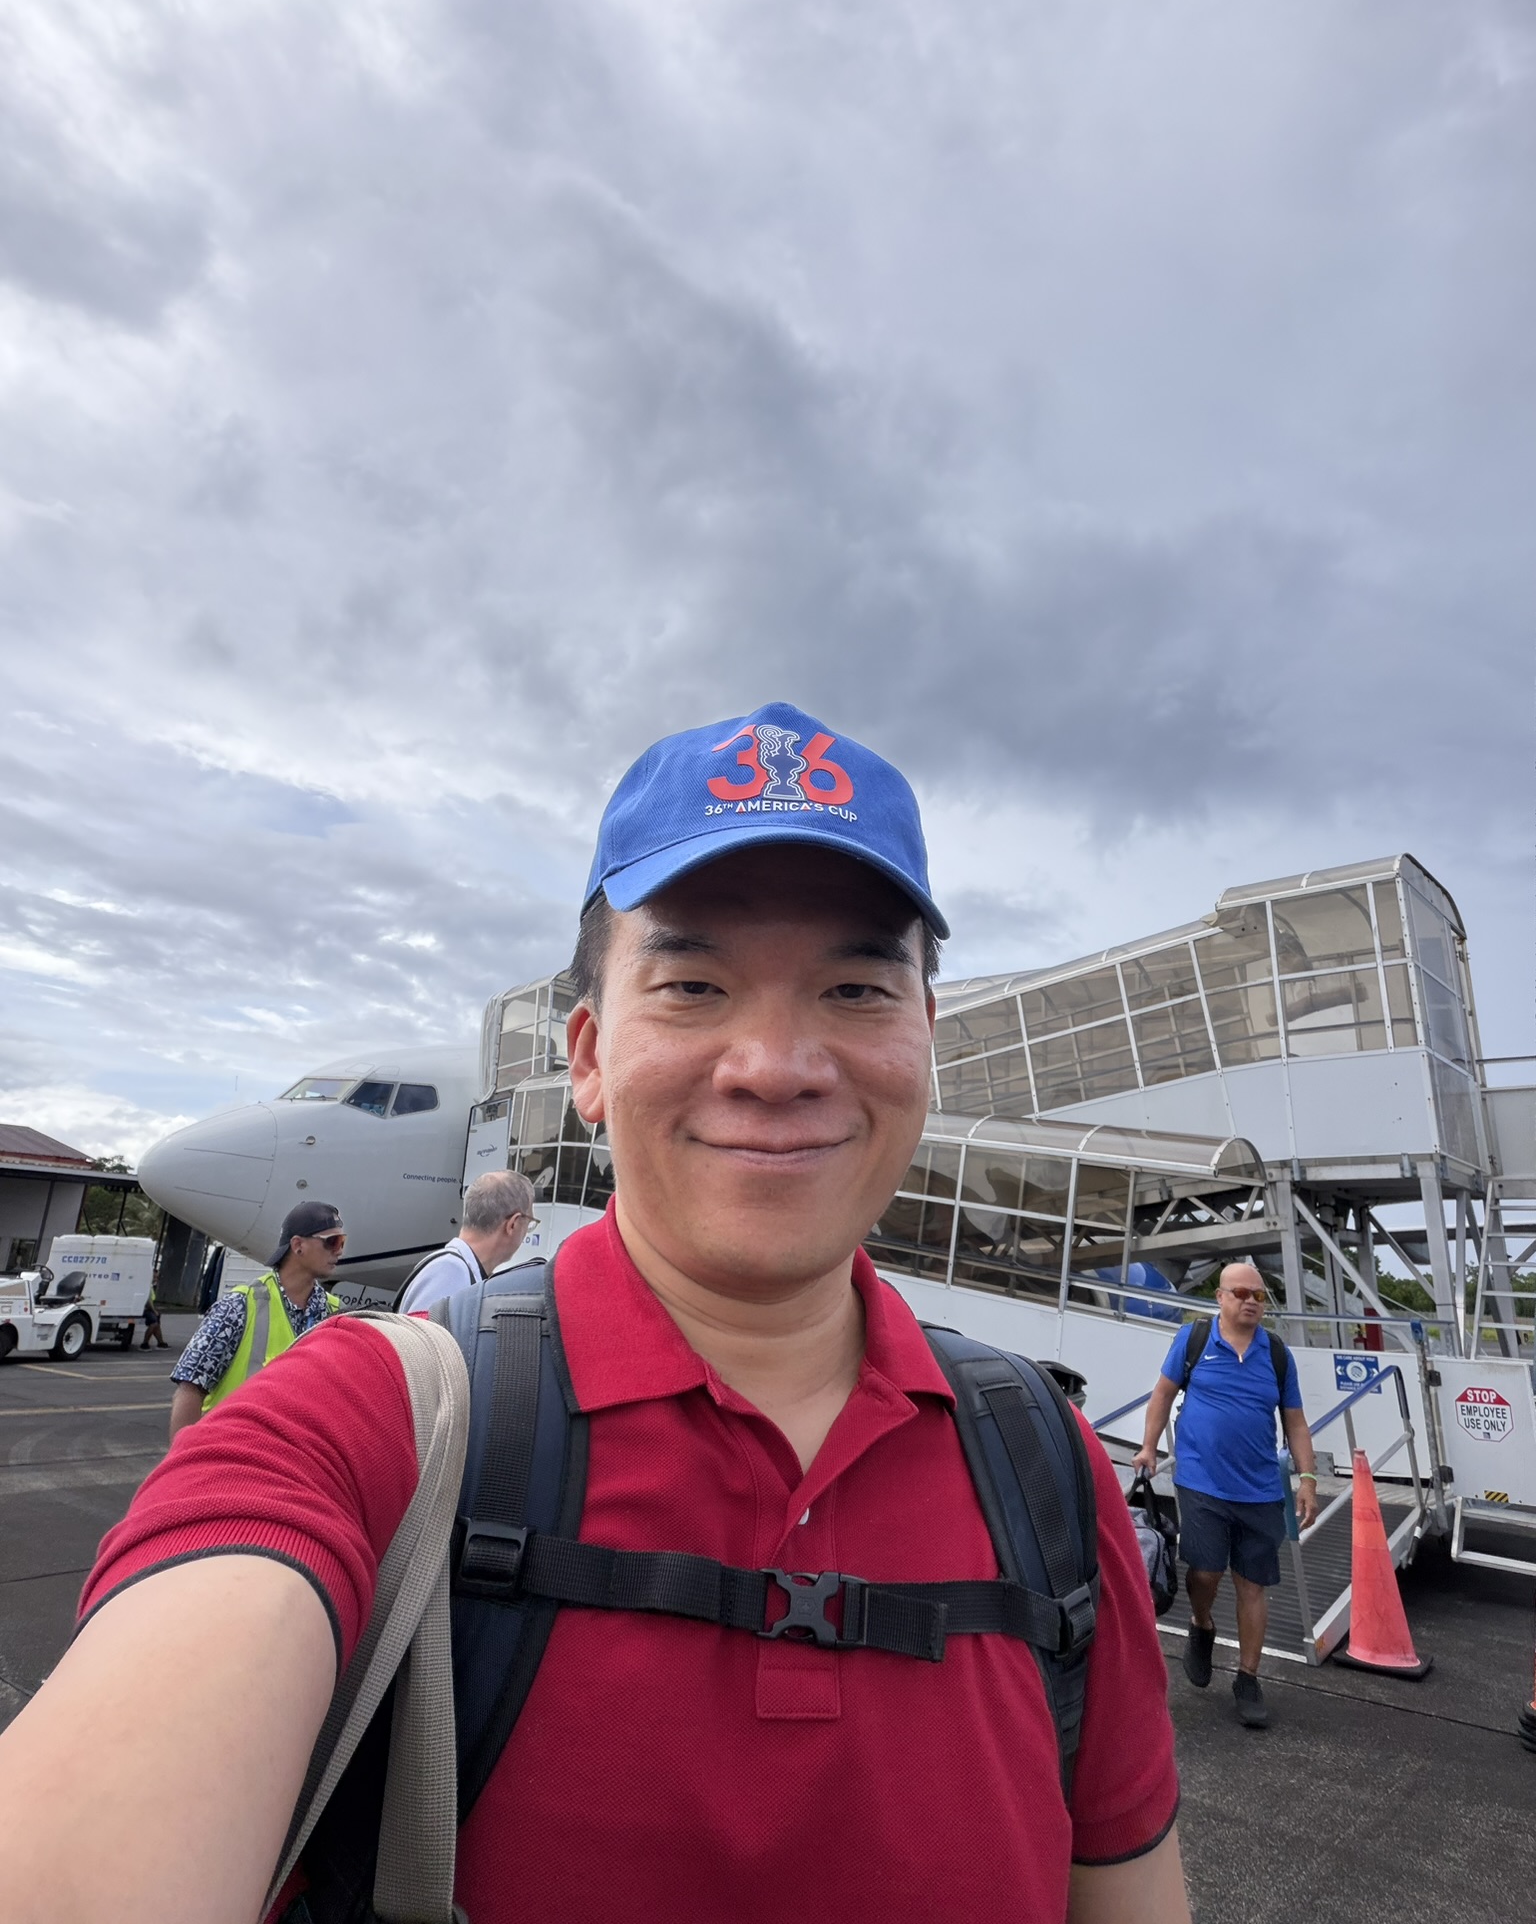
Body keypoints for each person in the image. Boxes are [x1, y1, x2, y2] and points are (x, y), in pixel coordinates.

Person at [0, 704, 1189, 1924]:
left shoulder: (1045, 1474)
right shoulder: (375, 1425)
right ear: (585, 1057)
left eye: (853, 984)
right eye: (692, 983)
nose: (775, 1061)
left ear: (924, 1040)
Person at [1133, 1261, 1319, 1728]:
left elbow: (1294, 1420)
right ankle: (1202, 1624)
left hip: (1259, 1488)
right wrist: (1149, 1447)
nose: (1252, 1301)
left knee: (1252, 1584)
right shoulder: (1194, 1341)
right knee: (1206, 1571)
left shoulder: (1277, 1354)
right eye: (1241, 1293)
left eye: (1259, 1294)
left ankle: (1248, 1678)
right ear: (1220, 1297)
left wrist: (1309, 1479)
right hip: (1200, 1481)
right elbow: (1161, 1394)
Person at [164, 1201, 347, 1439]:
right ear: (298, 1245)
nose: (339, 1250)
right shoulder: (239, 1307)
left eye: (342, 1242)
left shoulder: (335, 1315)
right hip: (227, 1455)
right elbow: (190, 1389)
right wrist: (183, 1464)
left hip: (290, 1461)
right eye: (332, 1241)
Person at [395, 1169, 538, 1313]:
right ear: (513, 1224)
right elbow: (425, 1335)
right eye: (529, 1223)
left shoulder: (456, 1268)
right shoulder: (451, 1273)